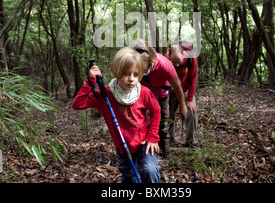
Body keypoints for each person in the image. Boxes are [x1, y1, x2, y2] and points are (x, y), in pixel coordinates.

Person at [72, 47, 161, 183]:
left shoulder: (143, 92)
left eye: (136, 74)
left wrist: (153, 136)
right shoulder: (105, 93)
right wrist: (90, 82)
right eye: (126, 74)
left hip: (144, 142)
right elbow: (78, 104)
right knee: (131, 178)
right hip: (123, 146)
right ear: (116, 72)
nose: (131, 79)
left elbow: (156, 111)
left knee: (150, 170)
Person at [129, 39, 187, 157]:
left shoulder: (163, 64)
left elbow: (176, 85)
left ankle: (165, 151)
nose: (139, 66)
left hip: (162, 92)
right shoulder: (130, 64)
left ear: (149, 59)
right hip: (143, 92)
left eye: (141, 62)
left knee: (163, 120)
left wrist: (182, 105)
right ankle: (141, 151)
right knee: (140, 120)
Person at [166, 42, 198, 147]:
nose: (176, 65)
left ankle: (190, 142)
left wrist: (189, 99)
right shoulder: (166, 58)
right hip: (171, 90)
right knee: (168, 113)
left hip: (186, 90)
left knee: (192, 112)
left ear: (184, 55)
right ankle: (169, 139)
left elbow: (193, 78)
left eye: (179, 62)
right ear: (169, 56)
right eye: (173, 62)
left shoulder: (191, 59)